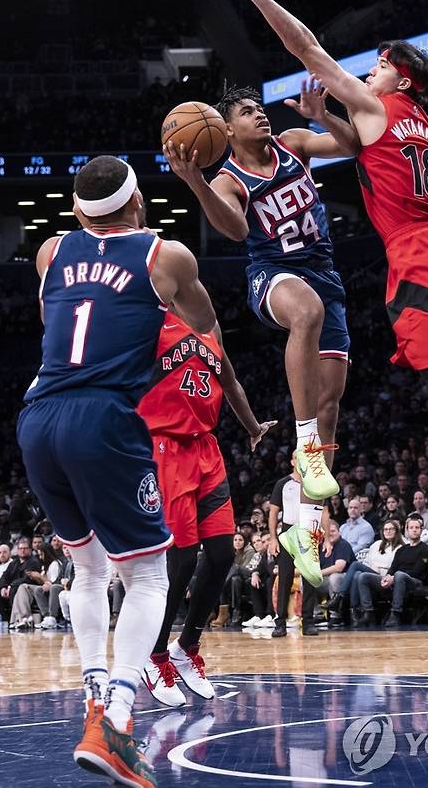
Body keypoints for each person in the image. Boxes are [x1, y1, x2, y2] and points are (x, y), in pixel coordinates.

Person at [206, 0, 428, 587]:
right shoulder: (420, 126)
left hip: (410, 262)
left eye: (376, 66)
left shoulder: (364, 110)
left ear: (398, 78)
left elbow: (308, 49)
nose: (368, 71)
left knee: (399, 398)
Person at [17, 154, 219, 786]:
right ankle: (119, 724)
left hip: (37, 417)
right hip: (102, 419)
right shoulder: (166, 256)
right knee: (149, 577)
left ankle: (95, 694)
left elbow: (58, 318)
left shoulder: (51, 251)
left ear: (78, 211)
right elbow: (204, 324)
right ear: (139, 205)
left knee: (87, 566)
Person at [163, 80, 354, 583]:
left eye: (259, 108)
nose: (260, 116)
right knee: (306, 312)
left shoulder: (293, 143)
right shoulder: (228, 178)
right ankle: (304, 442)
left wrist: (324, 115)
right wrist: (196, 183)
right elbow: (237, 230)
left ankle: (306, 533)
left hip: (325, 274)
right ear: (226, 129)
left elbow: (354, 144)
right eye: (247, 112)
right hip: (273, 277)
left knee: (331, 401)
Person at [138, 309, 275, 707]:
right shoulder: (153, 320)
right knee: (180, 561)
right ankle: (154, 652)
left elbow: (229, 383)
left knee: (220, 554)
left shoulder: (212, 329)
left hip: (205, 448)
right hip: (165, 445)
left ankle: (187, 647)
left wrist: (252, 428)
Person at [268, 456, 330, 638]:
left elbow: (324, 511)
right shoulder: (283, 483)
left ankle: (308, 622)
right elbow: (273, 512)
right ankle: (280, 622)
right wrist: (273, 538)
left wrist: (326, 538)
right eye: (297, 458)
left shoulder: (315, 483)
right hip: (288, 532)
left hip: (309, 532)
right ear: (292, 461)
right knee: (285, 577)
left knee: (309, 579)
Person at [354, 516, 428, 628]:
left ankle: (395, 613)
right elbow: (392, 568)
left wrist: (394, 577)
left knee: (400, 575)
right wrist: (387, 577)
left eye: (417, 527)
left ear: (421, 530)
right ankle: (368, 612)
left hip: (415, 582)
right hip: (396, 579)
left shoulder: (426, 550)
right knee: (363, 577)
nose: (414, 530)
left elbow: (417, 571)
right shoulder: (402, 550)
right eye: (411, 527)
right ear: (407, 530)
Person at [327, 519, 404, 622]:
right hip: (372, 573)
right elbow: (367, 561)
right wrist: (373, 566)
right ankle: (355, 612)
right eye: (385, 529)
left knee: (355, 565)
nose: (388, 531)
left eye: (391, 529)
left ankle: (340, 597)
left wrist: (378, 566)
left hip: (386, 577)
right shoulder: (376, 544)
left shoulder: (401, 547)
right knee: (357, 574)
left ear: (396, 531)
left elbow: (393, 566)